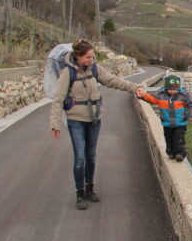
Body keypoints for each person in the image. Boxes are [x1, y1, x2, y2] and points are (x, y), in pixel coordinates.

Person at [49, 39, 146, 210]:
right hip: (76, 120)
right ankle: (79, 194)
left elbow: (113, 81)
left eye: (92, 56)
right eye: (87, 57)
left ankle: (89, 188)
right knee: (80, 158)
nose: (91, 59)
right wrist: (55, 124)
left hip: (94, 119)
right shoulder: (67, 73)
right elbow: (58, 99)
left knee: (91, 156)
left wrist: (135, 87)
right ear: (77, 57)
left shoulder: (95, 68)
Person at [138, 74, 192, 162]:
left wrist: (190, 116)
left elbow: (191, 105)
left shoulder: (184, 96)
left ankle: (180, 154)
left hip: (180, 123)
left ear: (178, 88)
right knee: (168, 138)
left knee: (178, 138)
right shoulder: (161, 95)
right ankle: (171, 153)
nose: (173, 91)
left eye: (175, 89)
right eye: (170, 89)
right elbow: (152, 100)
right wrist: (144, 95)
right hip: (167, 123)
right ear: (166, 88)